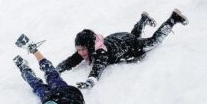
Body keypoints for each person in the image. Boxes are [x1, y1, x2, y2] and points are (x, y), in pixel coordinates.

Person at [56, 9, 189, 89]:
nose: (80, 53)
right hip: (120, 38)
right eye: (78, 50)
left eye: (83, 50)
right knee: (133, 35)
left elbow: (98, 68)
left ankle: (173, 19)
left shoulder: (101, 52)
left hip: (128, 45)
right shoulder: (89, 46)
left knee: (152, 42)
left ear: (90, 46)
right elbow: (72, 60)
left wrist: (89, 82)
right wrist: (57, 69)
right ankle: (143, 19)